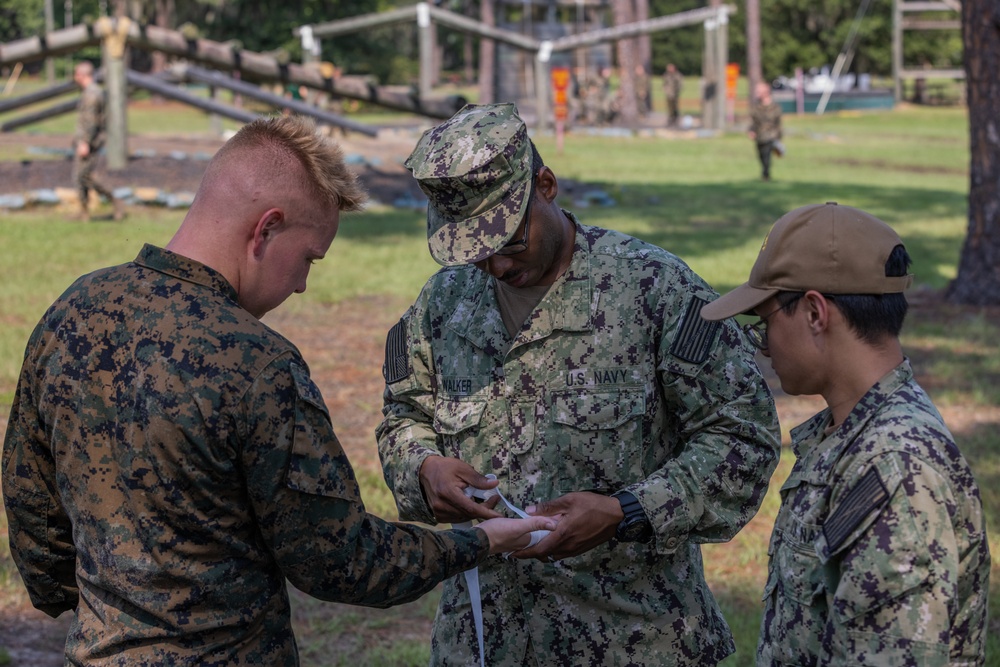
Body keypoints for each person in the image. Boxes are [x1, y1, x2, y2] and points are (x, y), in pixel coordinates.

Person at [1, 115, 555, 665]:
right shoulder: (257, 362)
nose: (303, 283)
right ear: (266, 228)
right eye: (310, 257)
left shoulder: (73, 312)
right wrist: (484, 542)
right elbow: (341, 560)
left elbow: (33, 514)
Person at [376, 102, 781, 666]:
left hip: (633, 638)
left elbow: (743, 439)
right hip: (486, 641)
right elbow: (402, 418)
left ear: (547, 185)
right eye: (474, 250)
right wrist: (422, 468)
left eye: (509, 240)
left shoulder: (652, 290)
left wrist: (627, 510)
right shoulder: (442, 306)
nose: (494, 265)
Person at [700, 202, 991, 665]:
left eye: (766, 321)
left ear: (815, 312)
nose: (764, 343)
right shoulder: (855, 436)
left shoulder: (895, 468)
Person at [72, 61, 124, 221]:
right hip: (89, 141)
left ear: (81, 75)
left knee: (84, 176)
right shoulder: (91, 92)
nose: (74, 78)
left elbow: (91, 122)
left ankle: (115, 202)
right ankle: (84, 213)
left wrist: (84, 142)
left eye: (76, 74)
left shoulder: (92, 94)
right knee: (82, 176)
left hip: (90, 142)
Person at [747, 81, 783, 181]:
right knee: (761, 155)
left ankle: (766, 174)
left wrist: (779, 137)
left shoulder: (775, 107)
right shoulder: (756, 106)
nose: (757, 92)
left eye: (759, 91)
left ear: (766, 91)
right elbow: (753, 121)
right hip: (760, 135)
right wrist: (751, 130)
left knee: (767, 154)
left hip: (771, 135)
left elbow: (778, 123)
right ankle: (765, 171)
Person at [663, 62, 683, 126]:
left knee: (675, 106)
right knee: (669, 107)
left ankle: (675, 118)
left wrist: (676, 92)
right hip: (669, 93)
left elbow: (680, 84)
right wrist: (665, 89)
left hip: (675, 93)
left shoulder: (677, 75)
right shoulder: (666, 75)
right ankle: (670, 118)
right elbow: (665, 83)